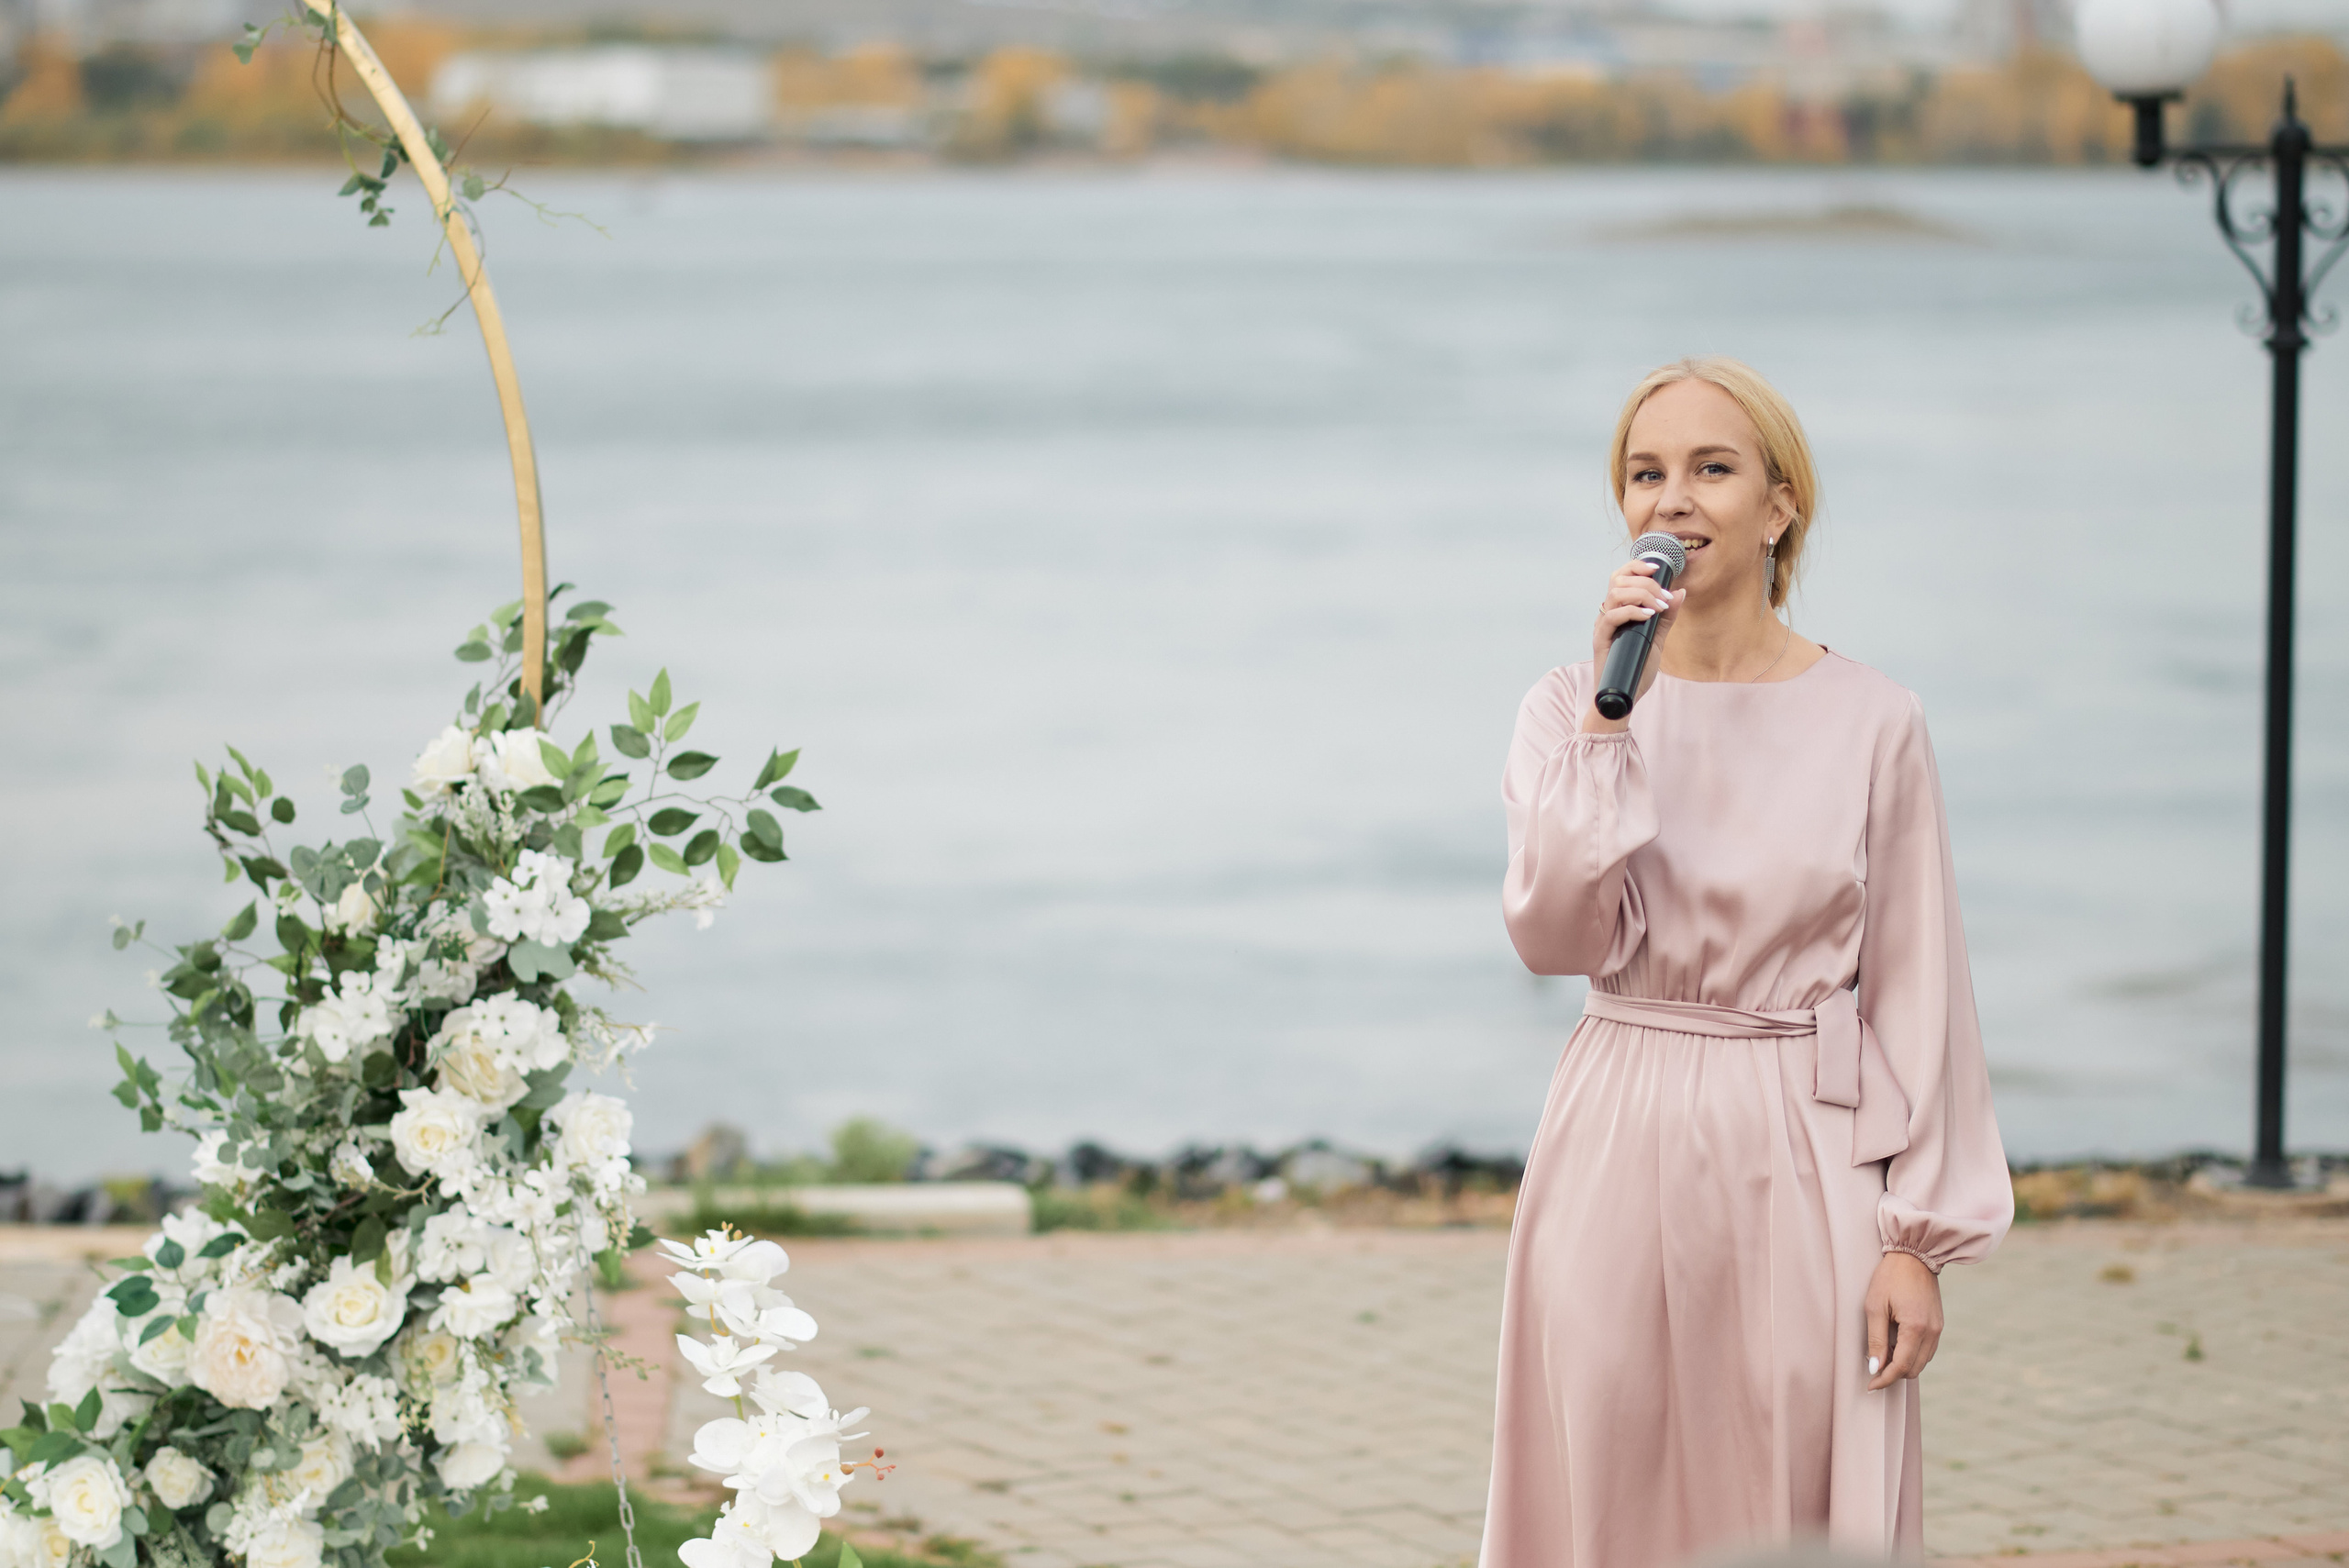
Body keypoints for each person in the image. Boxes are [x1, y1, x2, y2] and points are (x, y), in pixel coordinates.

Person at [1478, 358, 2011, 1566]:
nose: (1674, 500)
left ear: (1781, 507)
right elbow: (1553, 936)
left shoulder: (1877, 718)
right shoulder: (1568, 707)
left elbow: (1923, 993)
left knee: (1790, 1487)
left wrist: (1916, 1240)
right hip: (1614, 1127)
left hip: (1800, 1141)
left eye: (1712, 468)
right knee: (1602, 1480)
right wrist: (1610, 724)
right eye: (1646, 473)